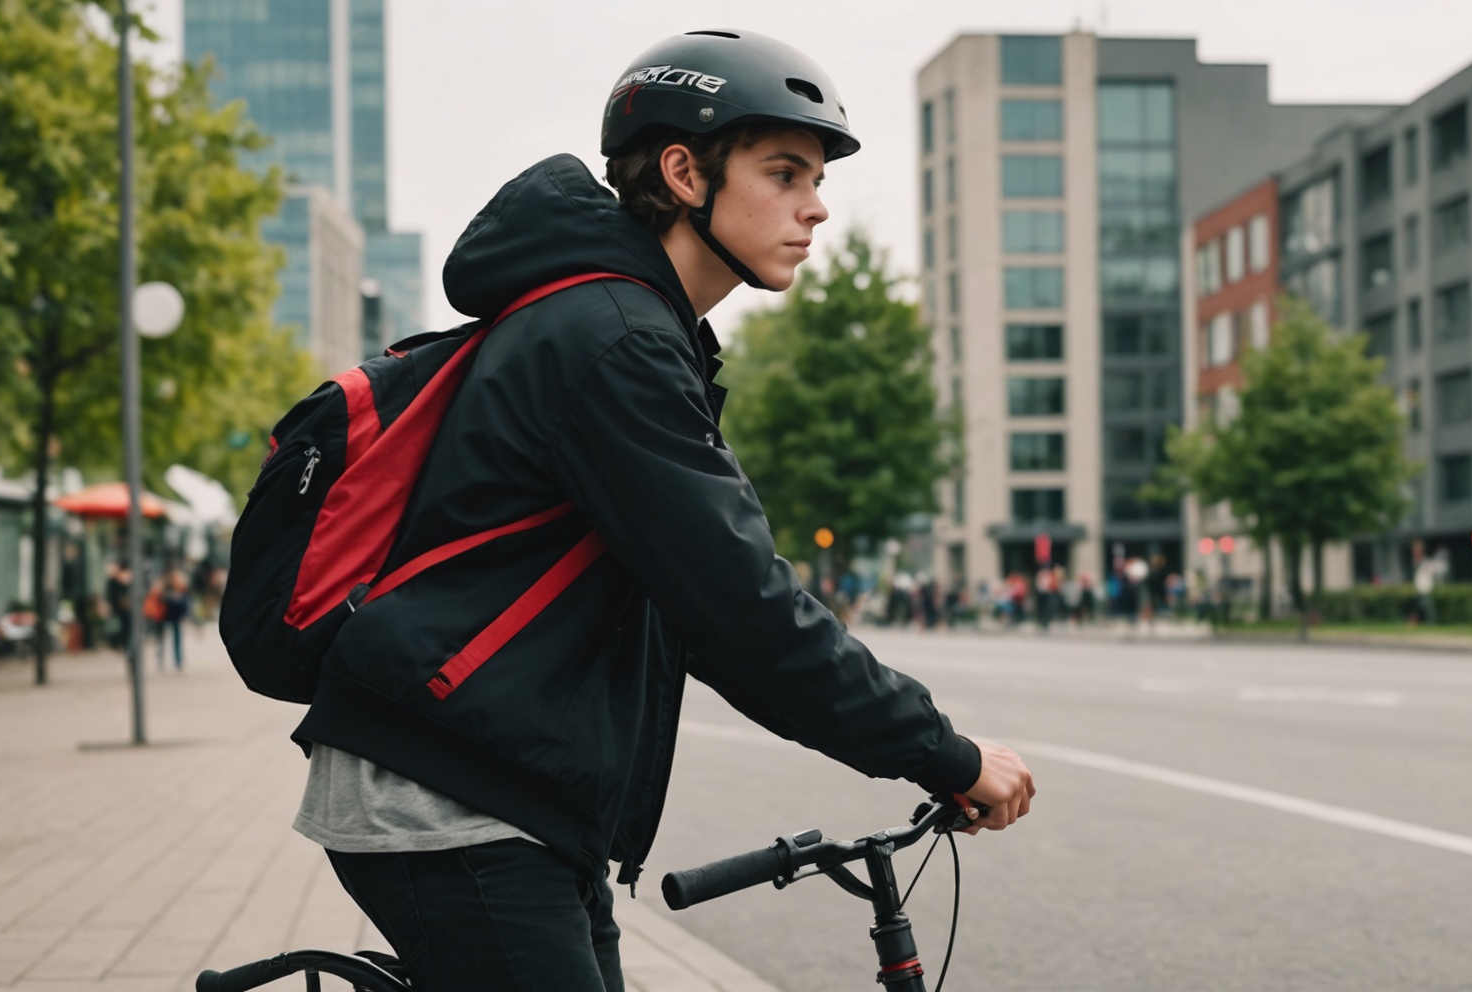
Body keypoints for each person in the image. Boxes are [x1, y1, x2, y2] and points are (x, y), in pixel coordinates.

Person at [283, 31, 1034, 992]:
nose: (818, 205)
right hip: (452, 797)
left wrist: (919, 751)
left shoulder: (627, 327)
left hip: (501, 790)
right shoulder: (614, 341)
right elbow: (743, 607)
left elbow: (703, 615)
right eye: (784, 171)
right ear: (684, 172)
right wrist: (947, 753)